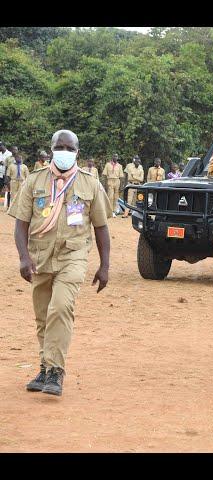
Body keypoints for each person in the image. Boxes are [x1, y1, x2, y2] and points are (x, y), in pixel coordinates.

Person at [8, 129, 110, 396]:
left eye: (69, 148)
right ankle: (44, 367)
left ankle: (56, 372)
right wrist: (23, 257)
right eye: (59, 147)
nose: (64, 152)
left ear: (77, 152)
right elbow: (21, 225)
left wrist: (105, 265)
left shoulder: (90, 184)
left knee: (61, 308)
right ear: (51, 149)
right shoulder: (35, 181)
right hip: (39, 258)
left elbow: (101, 227)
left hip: (72, 257)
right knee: (43, 316)